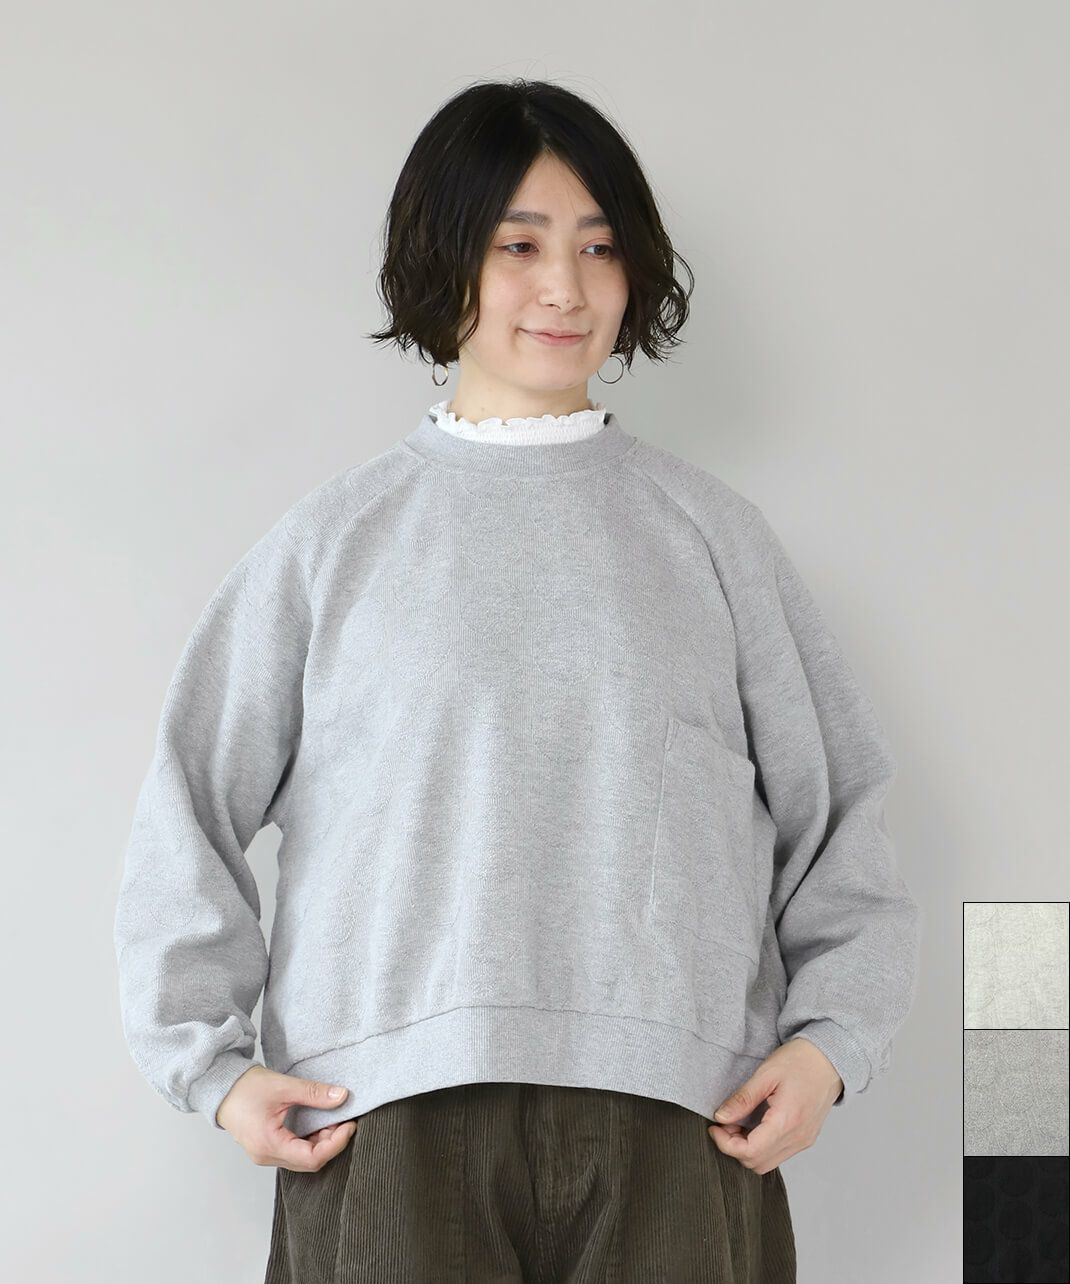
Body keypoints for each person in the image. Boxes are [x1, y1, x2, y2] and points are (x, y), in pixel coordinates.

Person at [113, 78, 922, 1282]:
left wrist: (830, 1046)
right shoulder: (331, 545)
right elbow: (187, 801)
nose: (565, 288)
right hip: (384, 1126)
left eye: (599, 247)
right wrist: (212, 1070)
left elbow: (842, 818)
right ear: (441, 260)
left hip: (680, 1125)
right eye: (519, 245)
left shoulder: (714, 541)